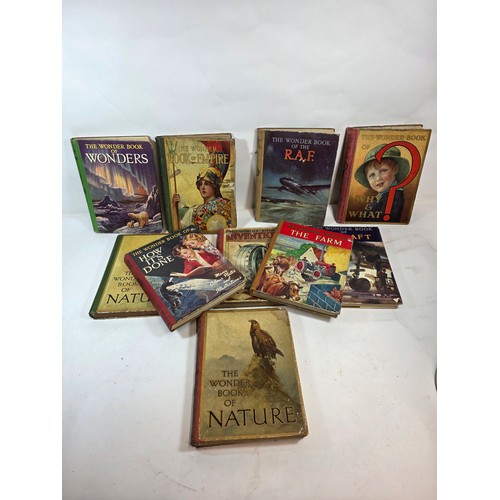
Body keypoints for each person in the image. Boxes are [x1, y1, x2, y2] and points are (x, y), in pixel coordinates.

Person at [354, 144, 410, 222]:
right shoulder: (382, 196)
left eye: (383, 170)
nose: (378, 178)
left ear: (395, 169)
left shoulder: (393, 196)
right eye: (372, 175)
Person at [172, 167, 232, 231]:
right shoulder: (192, 211)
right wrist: (174, 206)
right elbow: (179, 230)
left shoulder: (224, 204)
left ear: (214, 187)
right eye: (200, 184)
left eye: (206, 184)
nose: (202, 187)